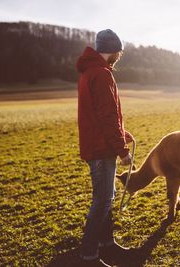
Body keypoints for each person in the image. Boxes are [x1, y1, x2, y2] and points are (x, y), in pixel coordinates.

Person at [76, 29, 134, 267]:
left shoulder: (91, 72)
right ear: (113, 50)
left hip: (99, 143)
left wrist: (122, 134)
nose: (119, 57)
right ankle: (89, 254)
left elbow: (101, 116)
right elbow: (107, 116)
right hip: (101, 149)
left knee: (105, 199)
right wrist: (122, 150)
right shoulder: (101, 75)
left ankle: (106, 244)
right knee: (102, 200)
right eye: (118, 52)